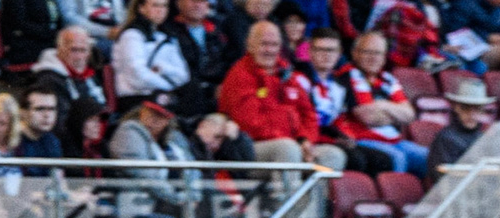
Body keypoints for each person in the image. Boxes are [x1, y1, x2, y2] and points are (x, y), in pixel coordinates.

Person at [218, 22, 343, 169]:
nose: (270, 50)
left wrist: (304, 140)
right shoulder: (240, 75)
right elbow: (248, 124)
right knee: (288, 149)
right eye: (264, 44)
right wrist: (293, 141)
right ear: (250, 45)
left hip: (291, 143)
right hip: (248, 148)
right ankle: (286, 193)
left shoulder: (287, 74)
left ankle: (314, 193)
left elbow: (308, 114)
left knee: (333, 155)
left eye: (274, 44)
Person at [109, 98, 194, 218]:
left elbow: (193, 167)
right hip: (138, 200)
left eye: (161, 116)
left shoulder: (175, 139)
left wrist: (193, 194)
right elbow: (142, 173)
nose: (154, 119)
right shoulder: (129, 132)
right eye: (151, 112)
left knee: (205, 211)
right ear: (142, 111)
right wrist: (177, 197)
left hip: (173, 201)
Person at [335, 30, 428, 174]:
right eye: (368, 52)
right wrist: (394, 113)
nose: (374, 58)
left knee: (428, 156)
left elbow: (410, 115)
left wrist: (381, 105)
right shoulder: (349, 75)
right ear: (355, 53)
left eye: (378, 53)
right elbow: (367, 116)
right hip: (363, 140)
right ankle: (395, 197)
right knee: (398, 158)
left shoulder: (388, 79)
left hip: (395, 141)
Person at [32, 27, 107, 144]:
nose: (79, 57)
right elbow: (59, 124)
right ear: (60, 50)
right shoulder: (50, 79)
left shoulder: (89, 76)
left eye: (83, 51)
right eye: (74, 50)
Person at [113, 0, 188, 114]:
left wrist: (161, 68)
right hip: (135, 99)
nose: (160, 10)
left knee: (192, 89)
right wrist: (168, 86)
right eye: (155, 5)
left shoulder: (166, 36)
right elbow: (137, 76)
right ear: (141, 8)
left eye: (164, 6)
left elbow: (183, 75)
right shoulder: (131, 36)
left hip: (160, 94)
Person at [165, 0, 227, 118]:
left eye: (202, 1)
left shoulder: (218, 29)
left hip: (218, 91)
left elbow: (226, 61)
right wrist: (209, 88)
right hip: (188, 94)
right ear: (179, 3)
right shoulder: (169, 30)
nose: (197, 4)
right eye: (192, 0)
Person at [426, 78, 493, 178]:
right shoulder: (445, 138)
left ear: (482, 111)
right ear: (457, 108)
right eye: (466, 107)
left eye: (477, 108)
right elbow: (442, 178)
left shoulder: (483, 138)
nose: (471, 113)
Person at [0, 0, 63, 67]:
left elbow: (55, 20)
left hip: (46, 39)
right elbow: (20, 24)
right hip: (24, 43)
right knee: (68, 50)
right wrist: (52, 34)